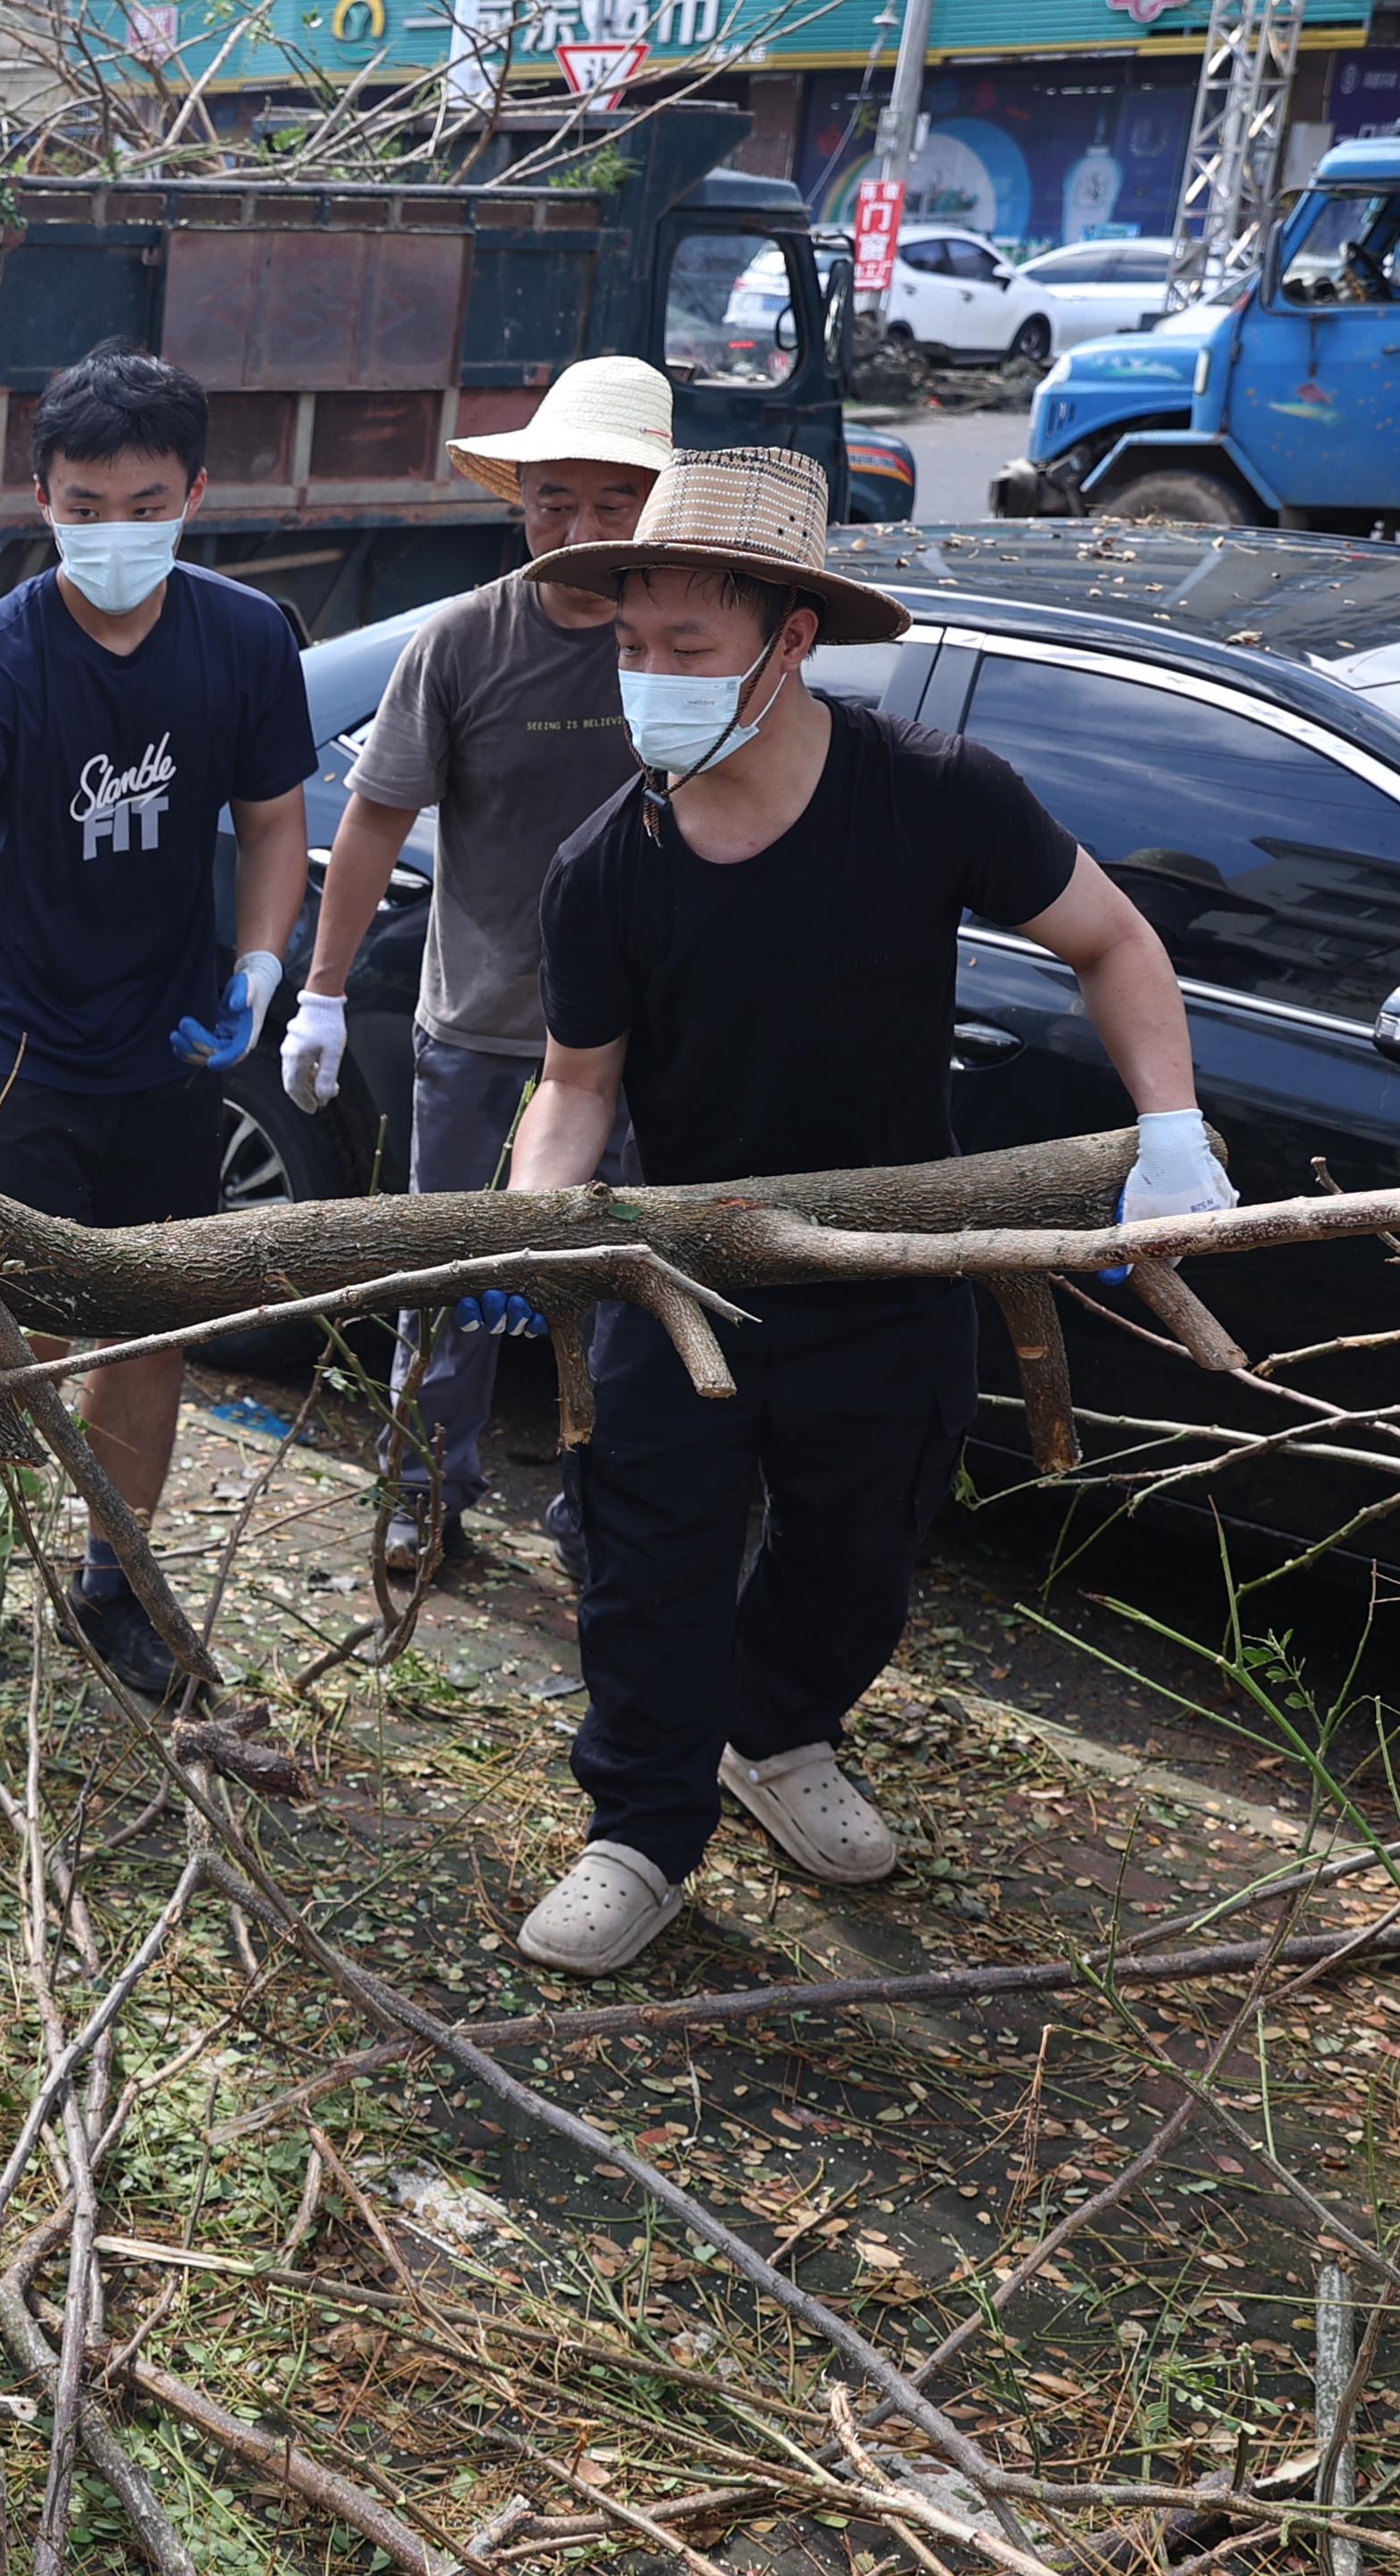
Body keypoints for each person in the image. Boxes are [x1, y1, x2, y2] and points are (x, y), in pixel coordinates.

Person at [505, 451, 1234, 1975]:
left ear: (788, 641)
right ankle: (637, 1831)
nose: (651, 684)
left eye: (685, 652)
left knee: (861, 1549)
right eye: (630, 651)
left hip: (890, 1265)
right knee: (649, 1562)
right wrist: (533, 1226)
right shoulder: (606, 868)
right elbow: (577, 1087)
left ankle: (776, 1735)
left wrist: (1170, 1128)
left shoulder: (932, 798)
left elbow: (1111, 939)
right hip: (680, 1266)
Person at [0, 348, 312, 1699]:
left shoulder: (243, 638)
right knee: (22, 1310)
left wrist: (259, 964)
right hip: (13, 1038)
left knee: (149, 1322)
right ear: (40, 497)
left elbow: (274, 821)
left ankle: (116, 1580)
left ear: (193, 492)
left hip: (169, 1039)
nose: (112, 529)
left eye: (142, 501)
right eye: (83, 502)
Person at [285, 356, 667, 1584]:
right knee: (440, 1284)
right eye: (556, 499)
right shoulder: (463, 643)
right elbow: (372, 822)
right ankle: (420, 1492)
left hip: (652, 1043)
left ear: (655, 507)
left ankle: (598, 1507)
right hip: (486, 1026)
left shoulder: (691, 640)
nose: (580, 529)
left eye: (613, 505)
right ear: (521, 502)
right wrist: (324, 993)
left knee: (624, 1293)